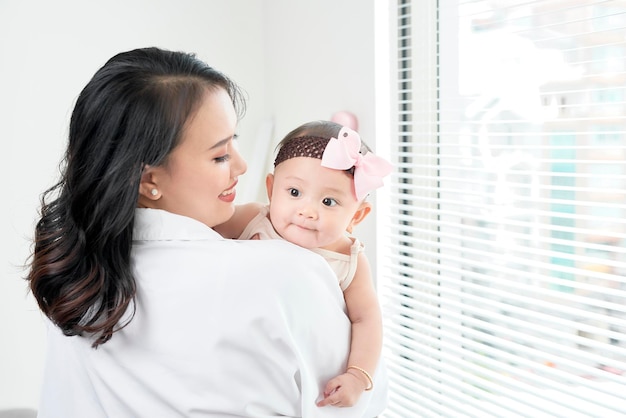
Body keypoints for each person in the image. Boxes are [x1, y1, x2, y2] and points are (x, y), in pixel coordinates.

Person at [26, 47, 387, 417]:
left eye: (235, 142)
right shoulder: (286, 273)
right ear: (150, 179)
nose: (242, 166)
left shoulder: (73, 267)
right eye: (220, 156)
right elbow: (349, 408)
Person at [215, 120, 393, 408]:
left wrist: (358, 376)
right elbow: (195, 236)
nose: (307, 211)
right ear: (271, 189)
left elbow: (367, 319)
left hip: (303, 373)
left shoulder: (350, 260)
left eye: (328, 202)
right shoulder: (250, 219)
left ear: (357, 216)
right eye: (294, 193)